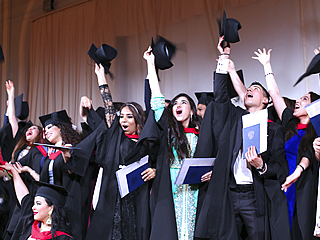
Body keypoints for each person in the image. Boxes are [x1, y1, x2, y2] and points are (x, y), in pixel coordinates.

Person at [193, 38, 290, 240]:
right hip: (229, 194)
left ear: (266, 100)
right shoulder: (235, 118)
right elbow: (220, 97)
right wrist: (224, 58)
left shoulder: (274, 130)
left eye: (256, 89)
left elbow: (281, 168)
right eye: (248, 89)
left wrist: (262, 165)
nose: (250, 90)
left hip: (255, 196)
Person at [64, 63, 156, 240]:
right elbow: (108, 106)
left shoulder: (146, 142)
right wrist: (101, 77)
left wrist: (154, 171)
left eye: (129, 116)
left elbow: (156, 162)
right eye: (122, 116)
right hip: (113, 192)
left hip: (136, 195)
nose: (123, 120)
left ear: (138, 121)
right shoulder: (116, 137)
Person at [252, 48, 320, 239]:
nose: (298, 100)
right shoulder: (289, 123)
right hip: (282, 186)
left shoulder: (316, 131)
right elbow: (274, 94)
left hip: (305, 188)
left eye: (305, 99)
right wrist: (267, 65)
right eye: (299, 98)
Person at [143, 46, 202, 239]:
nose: (178, 105)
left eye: (183, 103)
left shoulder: (202, 135)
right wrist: (151, 64)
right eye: (175, 103)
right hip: (171, 188)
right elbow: (157, 99)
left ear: (192, 111)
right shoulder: (168, 132)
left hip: (195, 190)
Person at [0, 162, 72, 239]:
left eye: (38, 203)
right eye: (34, 203)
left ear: (51, 208)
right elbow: (23, 195)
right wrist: (13, 170)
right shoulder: (29, 224)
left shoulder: (63, 238)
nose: (33, 207)